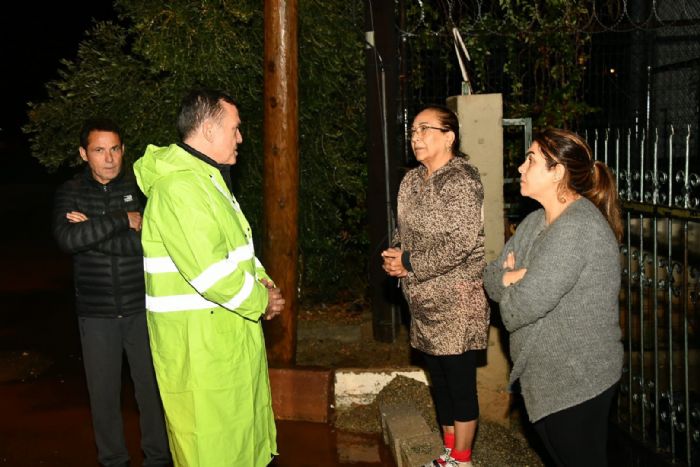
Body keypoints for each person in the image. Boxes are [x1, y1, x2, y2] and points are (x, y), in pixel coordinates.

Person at [133, 88, 285, 467]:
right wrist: (262, 300)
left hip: (224, 339)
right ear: (207, 129)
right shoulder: (180, 188)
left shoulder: (207, 180)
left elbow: (235, 250)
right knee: (213, 450)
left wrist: (262, 280)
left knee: (238, 444)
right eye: (234, 129)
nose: (240, 138)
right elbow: (211, 272)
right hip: (201, 350)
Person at [483, 129, 624, 466]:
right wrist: (515, 276)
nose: (520, 167)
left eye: (530, 159)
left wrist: (513, 280)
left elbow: (518, 309)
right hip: (547, 379)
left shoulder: (577, 227)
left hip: (577, 380)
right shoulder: (534, 222)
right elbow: (489, 277)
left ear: (557, 172)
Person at [52, 118, 171, 467]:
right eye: (99, 150)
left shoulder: (140, 187)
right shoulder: (71, 192)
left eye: (115, 149)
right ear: (84, 154)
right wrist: (122, 219)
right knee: (103, 398)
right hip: (96, 313)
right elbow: (69, 240)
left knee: (151, 393)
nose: (109, 158)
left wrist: (92, 230)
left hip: (141, 308)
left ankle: (159, 459)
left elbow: (148, 244)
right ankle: (114, 461)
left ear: (123, 150)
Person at [381, 105, 490, 467]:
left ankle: (463, 458)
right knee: (438, 381)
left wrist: (409, 263)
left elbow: (461, 241)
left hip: (456, 300)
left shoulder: (462, 180)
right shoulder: (411, 181)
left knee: (459, 383)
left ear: (449, 136)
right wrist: (396, 254)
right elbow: (405, 230)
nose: (415, 137)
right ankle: (449, 453)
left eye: (425, 129)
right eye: (413, 130)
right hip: (422, 301)